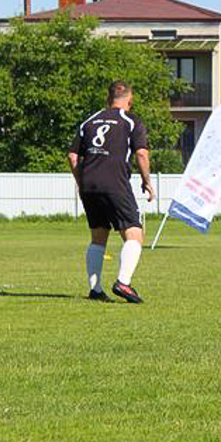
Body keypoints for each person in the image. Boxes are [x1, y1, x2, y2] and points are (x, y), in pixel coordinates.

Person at [68, 81, 155, 303]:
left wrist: (82, 182)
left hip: (89, 184)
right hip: (114, 182)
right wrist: (147, 181)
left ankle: (95, 289)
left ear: (108, 100)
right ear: (130, 100)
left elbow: (73, 157)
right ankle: (123, 283)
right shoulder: (130, 121)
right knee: (134, 233)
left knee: (98, 236)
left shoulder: (90, 120)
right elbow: (142, 154)